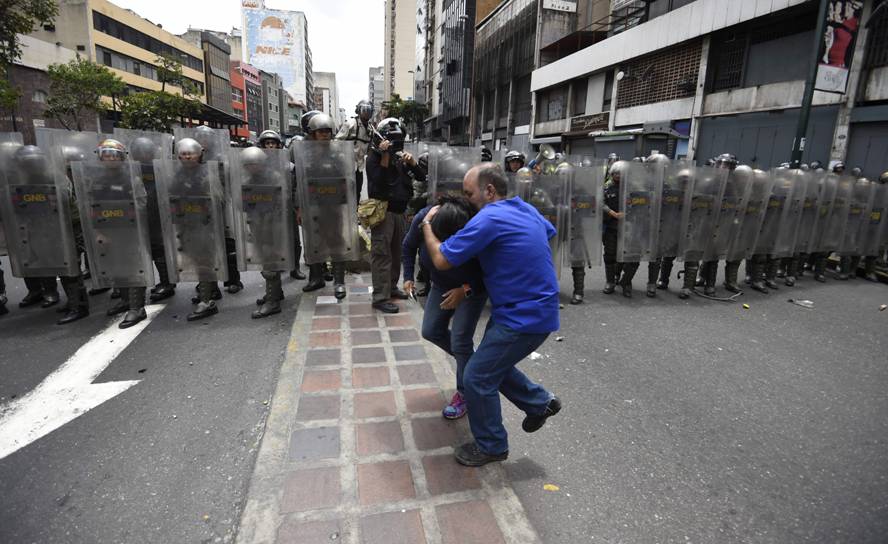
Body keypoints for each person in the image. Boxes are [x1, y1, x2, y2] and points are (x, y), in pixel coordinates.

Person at [421, 163, 561, 467]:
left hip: (524, 317)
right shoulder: (524, 209)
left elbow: (442, 259)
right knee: (489, 365)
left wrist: (427, 228)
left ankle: (492, 445)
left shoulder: (489, 217)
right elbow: (550, 233)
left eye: (470, 193)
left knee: (476, 377)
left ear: (489, 191)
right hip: (526, 308)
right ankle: (540, 403)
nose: (466, 199)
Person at [403, 194, 487, 420]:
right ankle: (474, 363)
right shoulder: (423, 219)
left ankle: (465, 393)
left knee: (460, 340)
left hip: (471, 288)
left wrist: (465, 290)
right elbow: (408, 246)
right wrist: (408, 276)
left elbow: (492, 273)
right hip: (441, 284)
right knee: (430, 330)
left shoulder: (477, 226)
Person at [365, 118, 425, 314]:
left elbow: (422, 177)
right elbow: (379, 182)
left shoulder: (400, 158)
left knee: (395, 253)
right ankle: (380, 297)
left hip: (400, 211)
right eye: (392, 140)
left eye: (398, 141)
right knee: (382, 254)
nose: (395, 144)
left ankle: (391, 287)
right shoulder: (373, 157)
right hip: (383, 211)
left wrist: (413, 163)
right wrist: (384, 155)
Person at [90, 139, 150, 328]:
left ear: (121, 158)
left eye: (113, 155)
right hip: (108, 232)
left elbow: (141, 204)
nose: (109, 159)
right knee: (116, 266)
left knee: (132, 267)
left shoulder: (132, 179)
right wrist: (98, 231)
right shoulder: (97, 180)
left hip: (129, 231)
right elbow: (91, 207)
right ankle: (125, 300)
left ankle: (137, 307)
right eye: (105, 155)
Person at [259, 129, 305, 281]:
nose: (270, 146)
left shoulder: (289, 166)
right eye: (267, 143)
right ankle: (276, 270)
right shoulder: (257, 165)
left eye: (273, 143)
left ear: (279, 145)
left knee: (294, 240)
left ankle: (295, 268)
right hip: (267, 209)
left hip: (287, 206)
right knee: (271, 242)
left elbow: (296, 187)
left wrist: (297, 208)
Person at [602, 161, 637, 296]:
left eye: (621, 174)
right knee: (610, 256)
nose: (619, 176)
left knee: (631, 257)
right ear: (611, 174)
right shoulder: (606, 188)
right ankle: (610, 281)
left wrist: (628, 213)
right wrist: (612, 213)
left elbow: (641, 204)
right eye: (616, 174)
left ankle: (626, 282)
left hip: (630, 227)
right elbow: (600, 202)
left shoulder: (633, 188)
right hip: (611, 227)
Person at [336, 99, 374, 201]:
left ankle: (355, 212)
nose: (366, 113)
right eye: (364, 110)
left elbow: (370, 148)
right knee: (345, 193)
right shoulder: (350, 124)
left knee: (357, 192)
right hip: (346, 166)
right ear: (358, 111)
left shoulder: (371, 129)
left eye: (369, 110)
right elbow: (337, 141)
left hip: (359, 167)